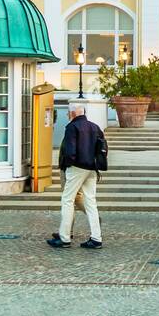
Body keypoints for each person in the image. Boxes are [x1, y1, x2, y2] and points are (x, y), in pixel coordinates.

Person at [47, 104, 107, 250]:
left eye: (69, 113)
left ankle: (65, 238)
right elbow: (102, 147)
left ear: (72, 113)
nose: (68, 115)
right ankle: (96, 238)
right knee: (91, 201)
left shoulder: (72, 127)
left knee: (67, 200)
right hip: (92, 168)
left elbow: (70, 150)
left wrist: (68, 164)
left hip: (77, 168)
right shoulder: (95, 127)